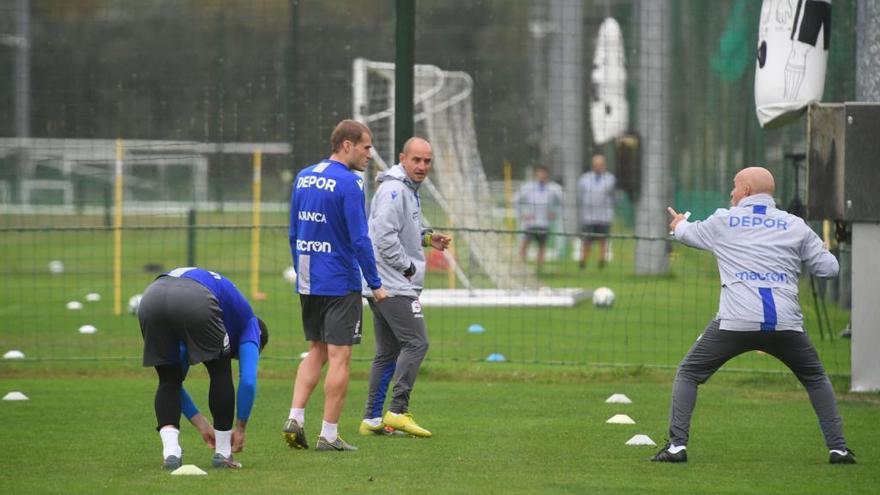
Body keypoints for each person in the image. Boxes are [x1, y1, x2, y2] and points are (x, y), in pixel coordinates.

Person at [653, 166, 854, 464]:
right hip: (786, 324)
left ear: (746, 190)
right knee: (815, 378)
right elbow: (829, 269)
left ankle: (676, 446)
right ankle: (838, 449)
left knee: (688, 373)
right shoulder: (795, 224)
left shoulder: (723, 220)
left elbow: (686, 234)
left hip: (735, 322)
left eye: (735, 187)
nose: (731, 193)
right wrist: (823, 249)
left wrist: (679, 223)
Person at [283, 119, 387, 452]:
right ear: (347, 145)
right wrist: (375, 283)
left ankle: (295, 417)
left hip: (309, 279)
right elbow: (359, 238)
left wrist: (302, 270)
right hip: (340, 282)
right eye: (366, 147)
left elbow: (293, 232)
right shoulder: (349, 183)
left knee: (316, 350)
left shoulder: (303, 176)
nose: (370, 154)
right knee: (340, 357)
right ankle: (328, 435)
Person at [358, 137, 452, 438]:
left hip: (386, 282)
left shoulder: (407, 189)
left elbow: (403, 230)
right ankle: (397, 411)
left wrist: (427, 239)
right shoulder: (395, 190)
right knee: (417, 343)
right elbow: (383, 237)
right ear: (403, 158)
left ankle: (372, 420)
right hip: (393, 285)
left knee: (387, 352)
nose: (422, 166)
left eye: (427, 161)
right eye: (417, 160)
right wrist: (407, 267)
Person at [138, 267, 269, 471]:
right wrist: (240, 428)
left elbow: (175, 386)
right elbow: (249, 381)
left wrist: (202, 425)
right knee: (220, 370)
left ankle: (171, 453)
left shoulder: (222, 315)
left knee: (168, 380)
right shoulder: (251, 324)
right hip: (195, 300)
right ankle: (223, 453)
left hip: (151, 297)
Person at [514, 164, 563, 272]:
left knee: (542, 246)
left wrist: (555, 213)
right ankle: (519, 266)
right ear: (536, 174)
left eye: (544, 173)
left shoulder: (553, 189)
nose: (541, 175)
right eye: (539, 172)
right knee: (524, 244)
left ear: (547, 174)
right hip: (530, 223)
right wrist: (521, 214)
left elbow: (561, 203)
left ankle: (540, 270)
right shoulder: (528, 187)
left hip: (544, 223)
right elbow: (516, 199)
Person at [577, 153, 616, 269]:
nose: (598, 167)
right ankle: (583, 262)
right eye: (596, 164)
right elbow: (580, 195)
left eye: (601, 164)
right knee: (587, 241)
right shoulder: (584, 179)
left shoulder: (610, 179)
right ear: (593, 165)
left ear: (604, 165)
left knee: (603, 241)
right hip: (589, 217)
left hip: (604, 217)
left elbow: (613, 197)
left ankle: (601, 262)